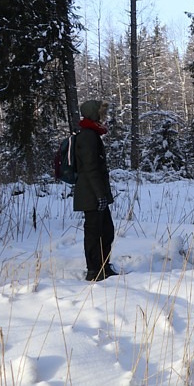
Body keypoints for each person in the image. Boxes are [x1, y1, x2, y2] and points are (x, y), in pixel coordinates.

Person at [73, 100, 117, 282]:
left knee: (106, 230)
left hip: (95, 193)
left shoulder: (92, 134)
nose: (103, 116)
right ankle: (94, 271)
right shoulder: (88, 136)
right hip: (90, 194)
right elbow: (90, 168)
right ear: (93, 114)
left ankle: (103, 267)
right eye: (100, 112)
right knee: (94, 233)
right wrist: (100, 196)